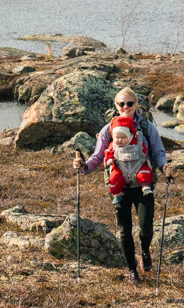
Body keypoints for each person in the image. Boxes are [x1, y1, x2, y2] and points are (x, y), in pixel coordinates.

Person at [73, 86, 171, 284]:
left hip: (144, 184)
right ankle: (132, 271)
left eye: (130, 103)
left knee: (146, 228)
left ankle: (144, 249)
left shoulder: (146, 127)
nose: (126, 107)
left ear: (136, 105)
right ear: (116, 105)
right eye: (121, 104)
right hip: (118, 187)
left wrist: (164, 167)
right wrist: (83, 166)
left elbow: (159, 153)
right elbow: (97, 156)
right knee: (124, 229)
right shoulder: (107, 130)